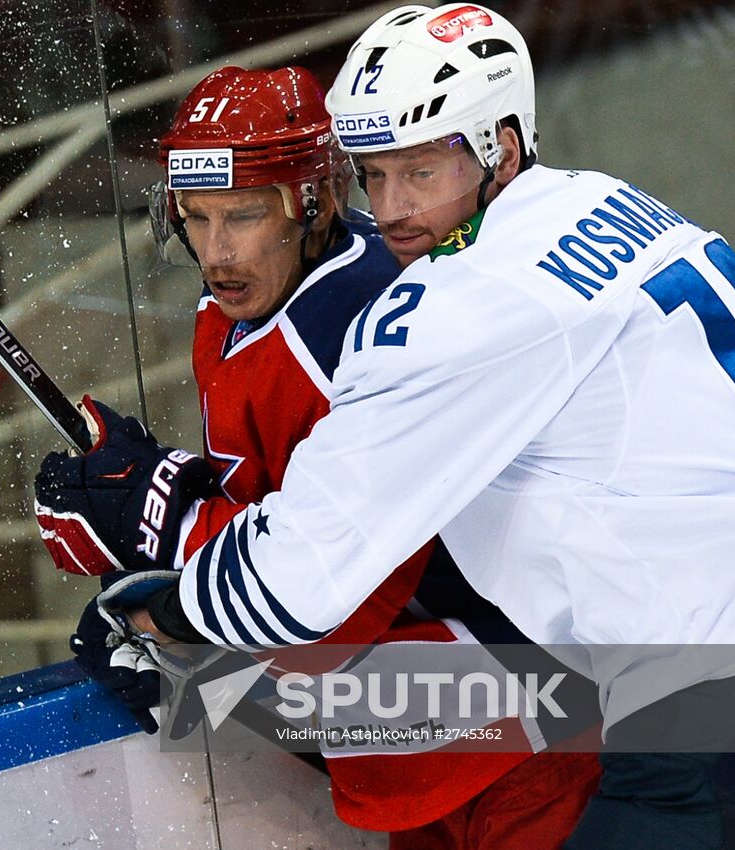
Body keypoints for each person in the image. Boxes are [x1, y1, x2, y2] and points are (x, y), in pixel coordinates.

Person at [33, 4, 735, 847]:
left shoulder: (461, 306)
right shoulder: (610, 202)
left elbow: (303, 581)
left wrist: (164, 609)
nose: (395, 209)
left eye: (422, 172)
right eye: (375, 173)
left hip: (715, 698)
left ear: (502, 149)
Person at [38, 64, 599, 848]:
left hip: (525, 726)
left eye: (241, 216)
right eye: (195, 218)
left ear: (317, 203)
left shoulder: (358, 339)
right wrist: (149, 507)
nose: (215, 252)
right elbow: (284, 515)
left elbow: (326, 611)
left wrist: (163, 538)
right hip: (447, 728)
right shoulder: (254, 296)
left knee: (159, 655)